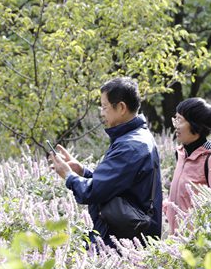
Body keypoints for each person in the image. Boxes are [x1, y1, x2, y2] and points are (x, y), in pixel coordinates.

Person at [51, 77, 162, 248]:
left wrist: (68, 176)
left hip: (121, 243)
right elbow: (115, 185)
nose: (101, 113)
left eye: (104, 107)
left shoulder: (130, 146)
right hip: (126, 235)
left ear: (122, 107)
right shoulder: (136, 137)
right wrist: (82, 171)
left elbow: (93, 192)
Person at [164, 97, 211, 235]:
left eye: (180, 120)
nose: (176, 126)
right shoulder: (181, 154)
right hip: (175, 244)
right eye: (175, 119)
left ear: (195, 125)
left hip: (199, 247)